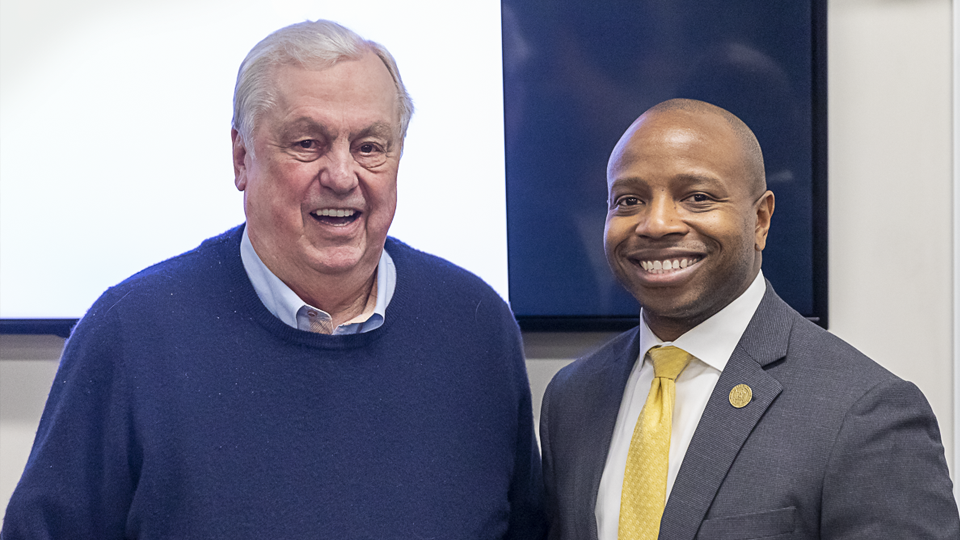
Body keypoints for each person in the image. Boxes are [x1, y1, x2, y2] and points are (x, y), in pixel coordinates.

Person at [3, 20, 545, 538]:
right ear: (241, 157)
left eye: (370, 147)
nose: (341, 176)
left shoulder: (477, 328)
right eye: (307, 143)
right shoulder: (130, 334)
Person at [539, 98, 959, 539]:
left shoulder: (866, 412)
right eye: (629, 200)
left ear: (760, 219)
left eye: (696, 197)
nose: (656, 224)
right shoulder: (572, 398)